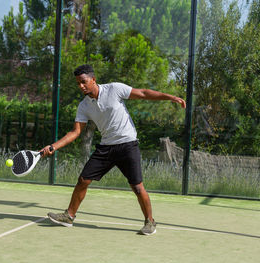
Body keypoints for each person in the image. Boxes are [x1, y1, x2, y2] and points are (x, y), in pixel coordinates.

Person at [40, 64, 186, 235]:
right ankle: (69, 216)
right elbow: (76, 132)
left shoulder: (114, 89)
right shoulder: (84, 106)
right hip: (106, 147)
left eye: (84, 82)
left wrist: (170, 97)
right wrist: (53, 146)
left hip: (128, 145)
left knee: (137, 187)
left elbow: (144, 93)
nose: (81, 86)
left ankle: (150, 222)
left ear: (93, 80)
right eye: (78, 83)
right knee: (83, 180)